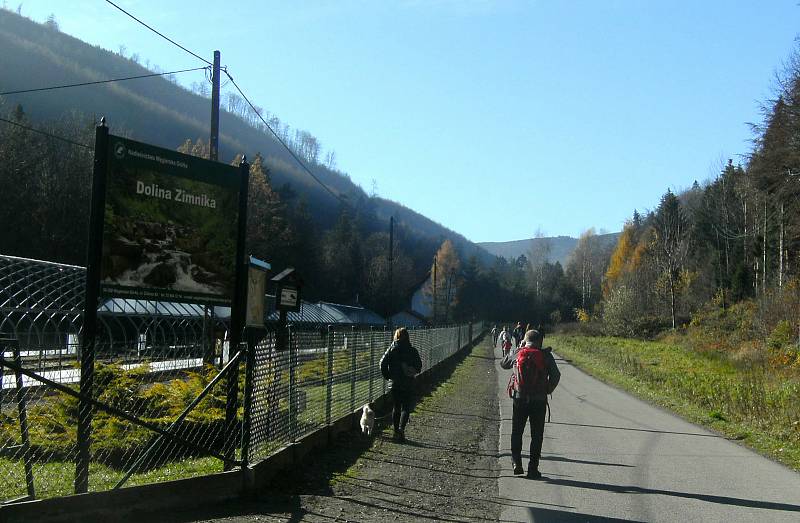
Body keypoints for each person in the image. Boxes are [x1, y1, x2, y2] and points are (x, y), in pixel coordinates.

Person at [500, 329, 560, 479]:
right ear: (540, 341)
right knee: (537, 435)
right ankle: (533, 468)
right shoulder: (546, 355)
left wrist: (519, 348)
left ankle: (516, 463)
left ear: (525, 340)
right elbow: (556, 375)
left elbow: (503, 364)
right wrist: (547, 389)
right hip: (539, 400)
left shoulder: (518, 352)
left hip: (520, 398)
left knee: (517, 432)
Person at [380, 327, 422, 443]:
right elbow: (419, 366)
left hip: (395, 383)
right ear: (407, 337)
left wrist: (388, 376)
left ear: (396, 336)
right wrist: (411, 370)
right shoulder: (412, 350)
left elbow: (382, 363)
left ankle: (395, 431)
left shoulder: (392, 349)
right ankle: (402, 429)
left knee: (396, 407)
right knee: (406, 407)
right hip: (408, 383)